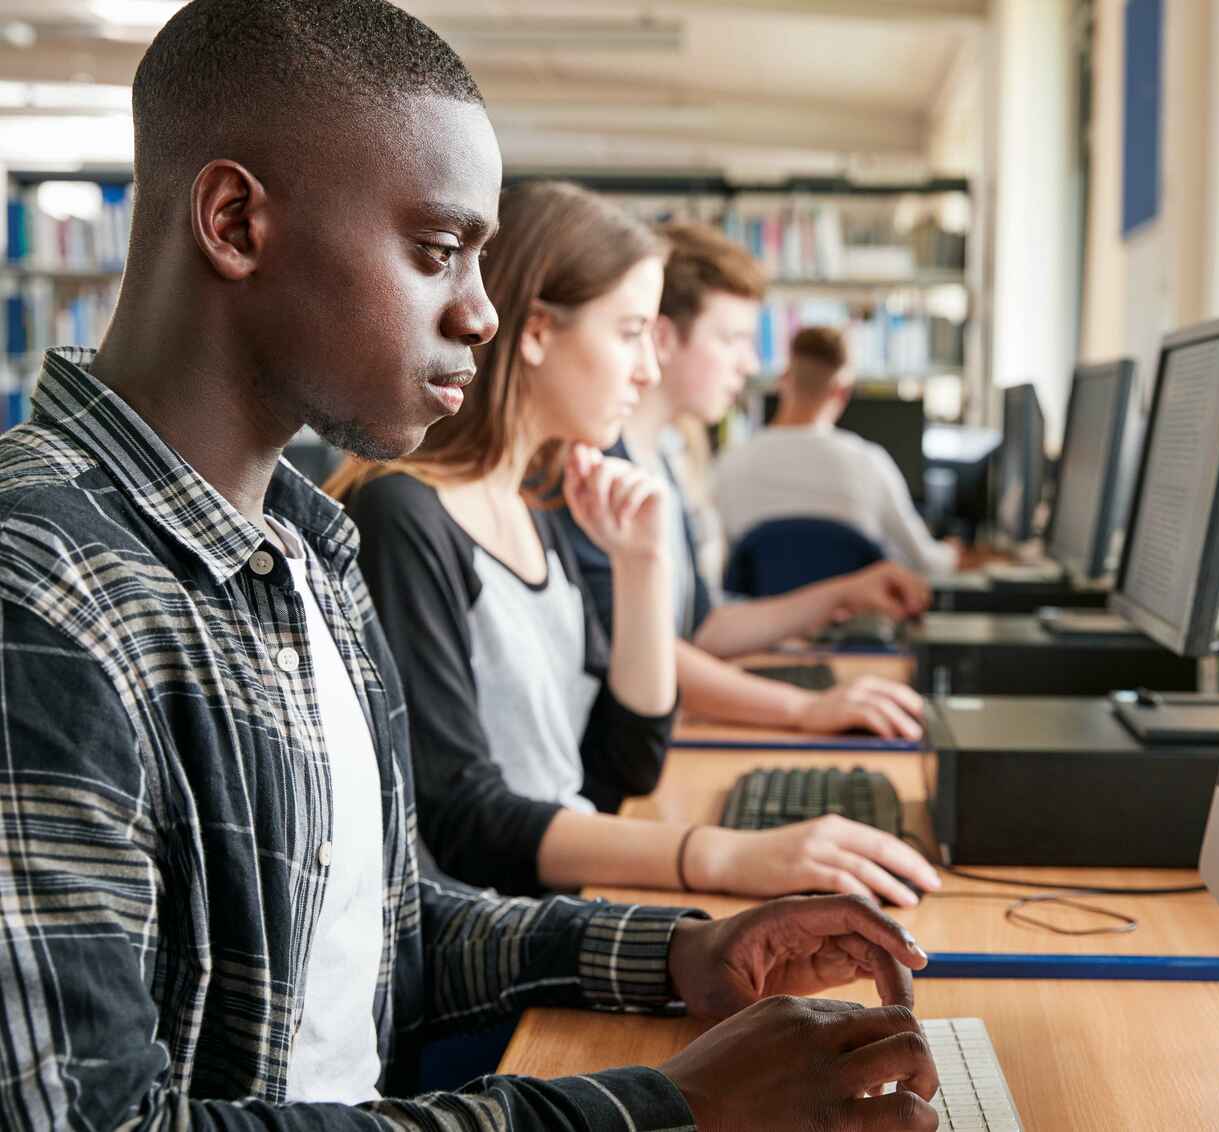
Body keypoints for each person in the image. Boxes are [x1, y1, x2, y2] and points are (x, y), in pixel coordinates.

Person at [0, 3, 944, 1129]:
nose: (485, 312)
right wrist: (657, 1110)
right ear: (236, 221)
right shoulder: (42, 587)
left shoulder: (310, 552)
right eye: (437, 251)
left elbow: (398, 927)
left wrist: (683, 952)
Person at [329, 180, 940, 909]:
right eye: (628, 335)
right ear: (536, 332)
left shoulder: (538, 505)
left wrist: (642, 564)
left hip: (563, 906)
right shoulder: (404, 514)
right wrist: (719, 856)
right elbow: (465, 822)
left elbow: (627, 765)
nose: (646, 370)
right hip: (487, 949)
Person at [565, 221, 934, 740]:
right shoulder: (594, 469)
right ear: (664, 338)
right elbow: (640, 648)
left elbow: (705, 631)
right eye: (732, 339)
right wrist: (803, 709)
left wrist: (842, 592)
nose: (751, 363)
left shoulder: (665, 457)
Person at [714, 325, 960, 582]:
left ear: (784, 379)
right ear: (842, 392)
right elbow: (927, 562)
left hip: (754, 620)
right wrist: (954, 552)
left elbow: (715, 567)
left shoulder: (729, 464)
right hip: (854, 619)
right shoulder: (869, 464)